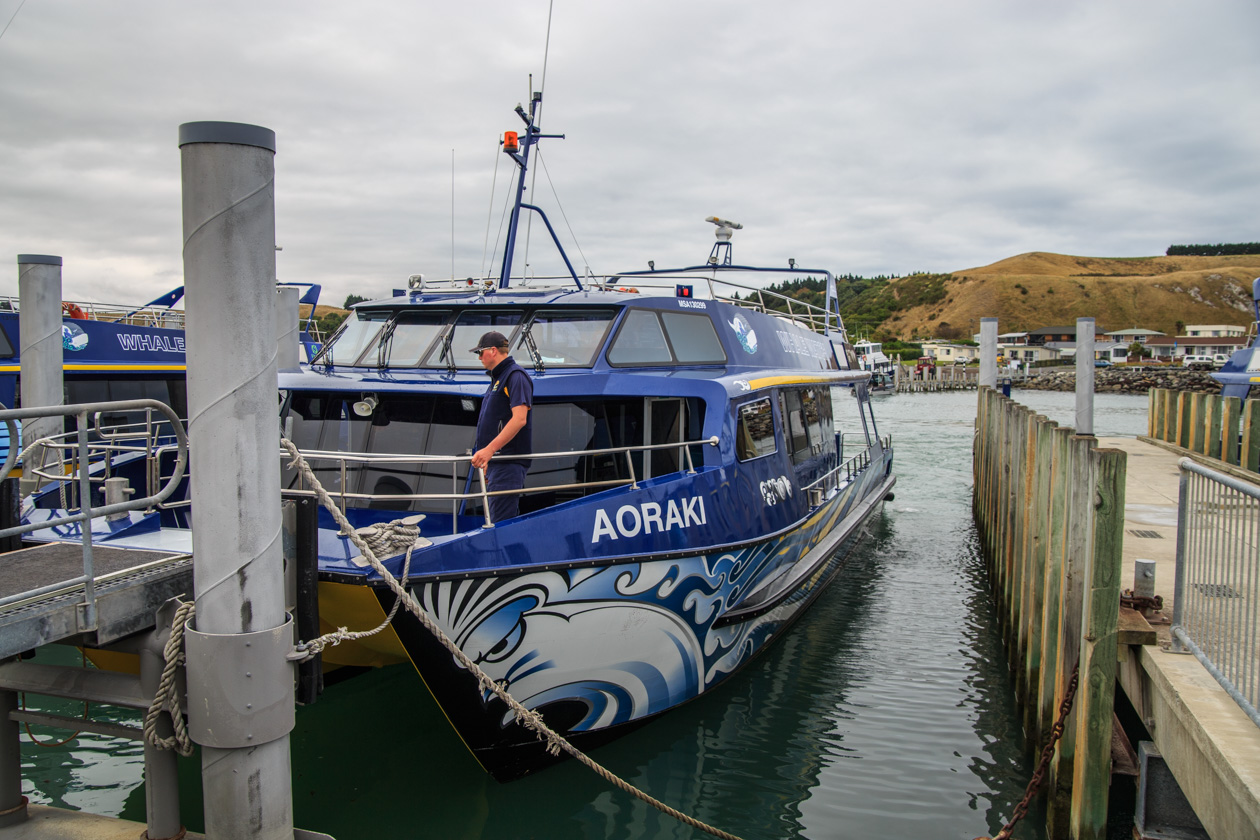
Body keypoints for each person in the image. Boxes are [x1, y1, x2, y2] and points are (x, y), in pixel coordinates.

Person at [470, 330, 533, 522]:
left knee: (501, 524)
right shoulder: (498, 378)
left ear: (493, 351)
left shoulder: (515, 376)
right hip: (498, 463)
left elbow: (520, 418)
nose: (479, 357)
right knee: (497, 520)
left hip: (508, 464)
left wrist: (489, 450)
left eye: (480, 352)